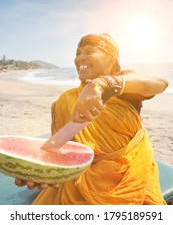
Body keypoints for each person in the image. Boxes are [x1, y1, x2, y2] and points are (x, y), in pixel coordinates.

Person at [15, 33, 169, 205]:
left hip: (130, 181)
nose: (80, 58)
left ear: (111, 60)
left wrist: (104, 83)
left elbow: (160, 82)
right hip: (76, 181)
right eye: (78, 53)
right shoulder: (65, 100)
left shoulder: (124, 85)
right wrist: (40, 168)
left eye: (88, 51)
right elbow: (62, 147)